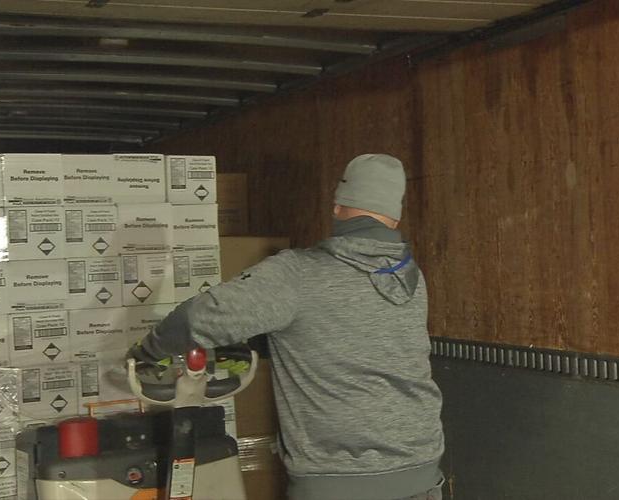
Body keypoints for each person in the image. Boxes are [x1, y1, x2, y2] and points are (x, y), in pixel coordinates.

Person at [128, 154, 445, 500]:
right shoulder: (409, 277)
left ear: (337, 205)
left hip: (338, 482)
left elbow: (199, 319)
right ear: (394, 216)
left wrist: (148, 350)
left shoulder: (298, 275)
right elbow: (347, 335)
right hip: (422, 473)